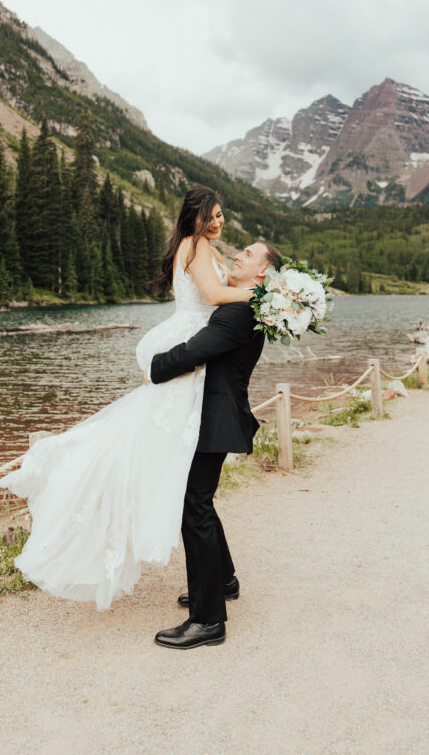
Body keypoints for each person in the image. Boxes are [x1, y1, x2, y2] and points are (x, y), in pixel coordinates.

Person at [0, 187, 254, 612]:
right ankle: (215, 581)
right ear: (195, 215)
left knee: (191, 485)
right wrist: (263, 296)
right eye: (213, 214)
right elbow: (213, 297)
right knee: (177, 472)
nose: (219, 221)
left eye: (223, 215)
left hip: (199, 346)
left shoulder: (201, 247)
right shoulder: (194, 246)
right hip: (190, 344)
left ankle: (220, 579)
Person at [148, 239, 282, 650]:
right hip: (217, 415)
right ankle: (223, 581)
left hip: (215, 419)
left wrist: (154, 366)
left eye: (247, 254)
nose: (238, 255)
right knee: (200, 501)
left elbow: (197, 351)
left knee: (195, 507)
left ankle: (208, 621)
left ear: (261, 273)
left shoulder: (239, 310)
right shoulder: (248, 305)